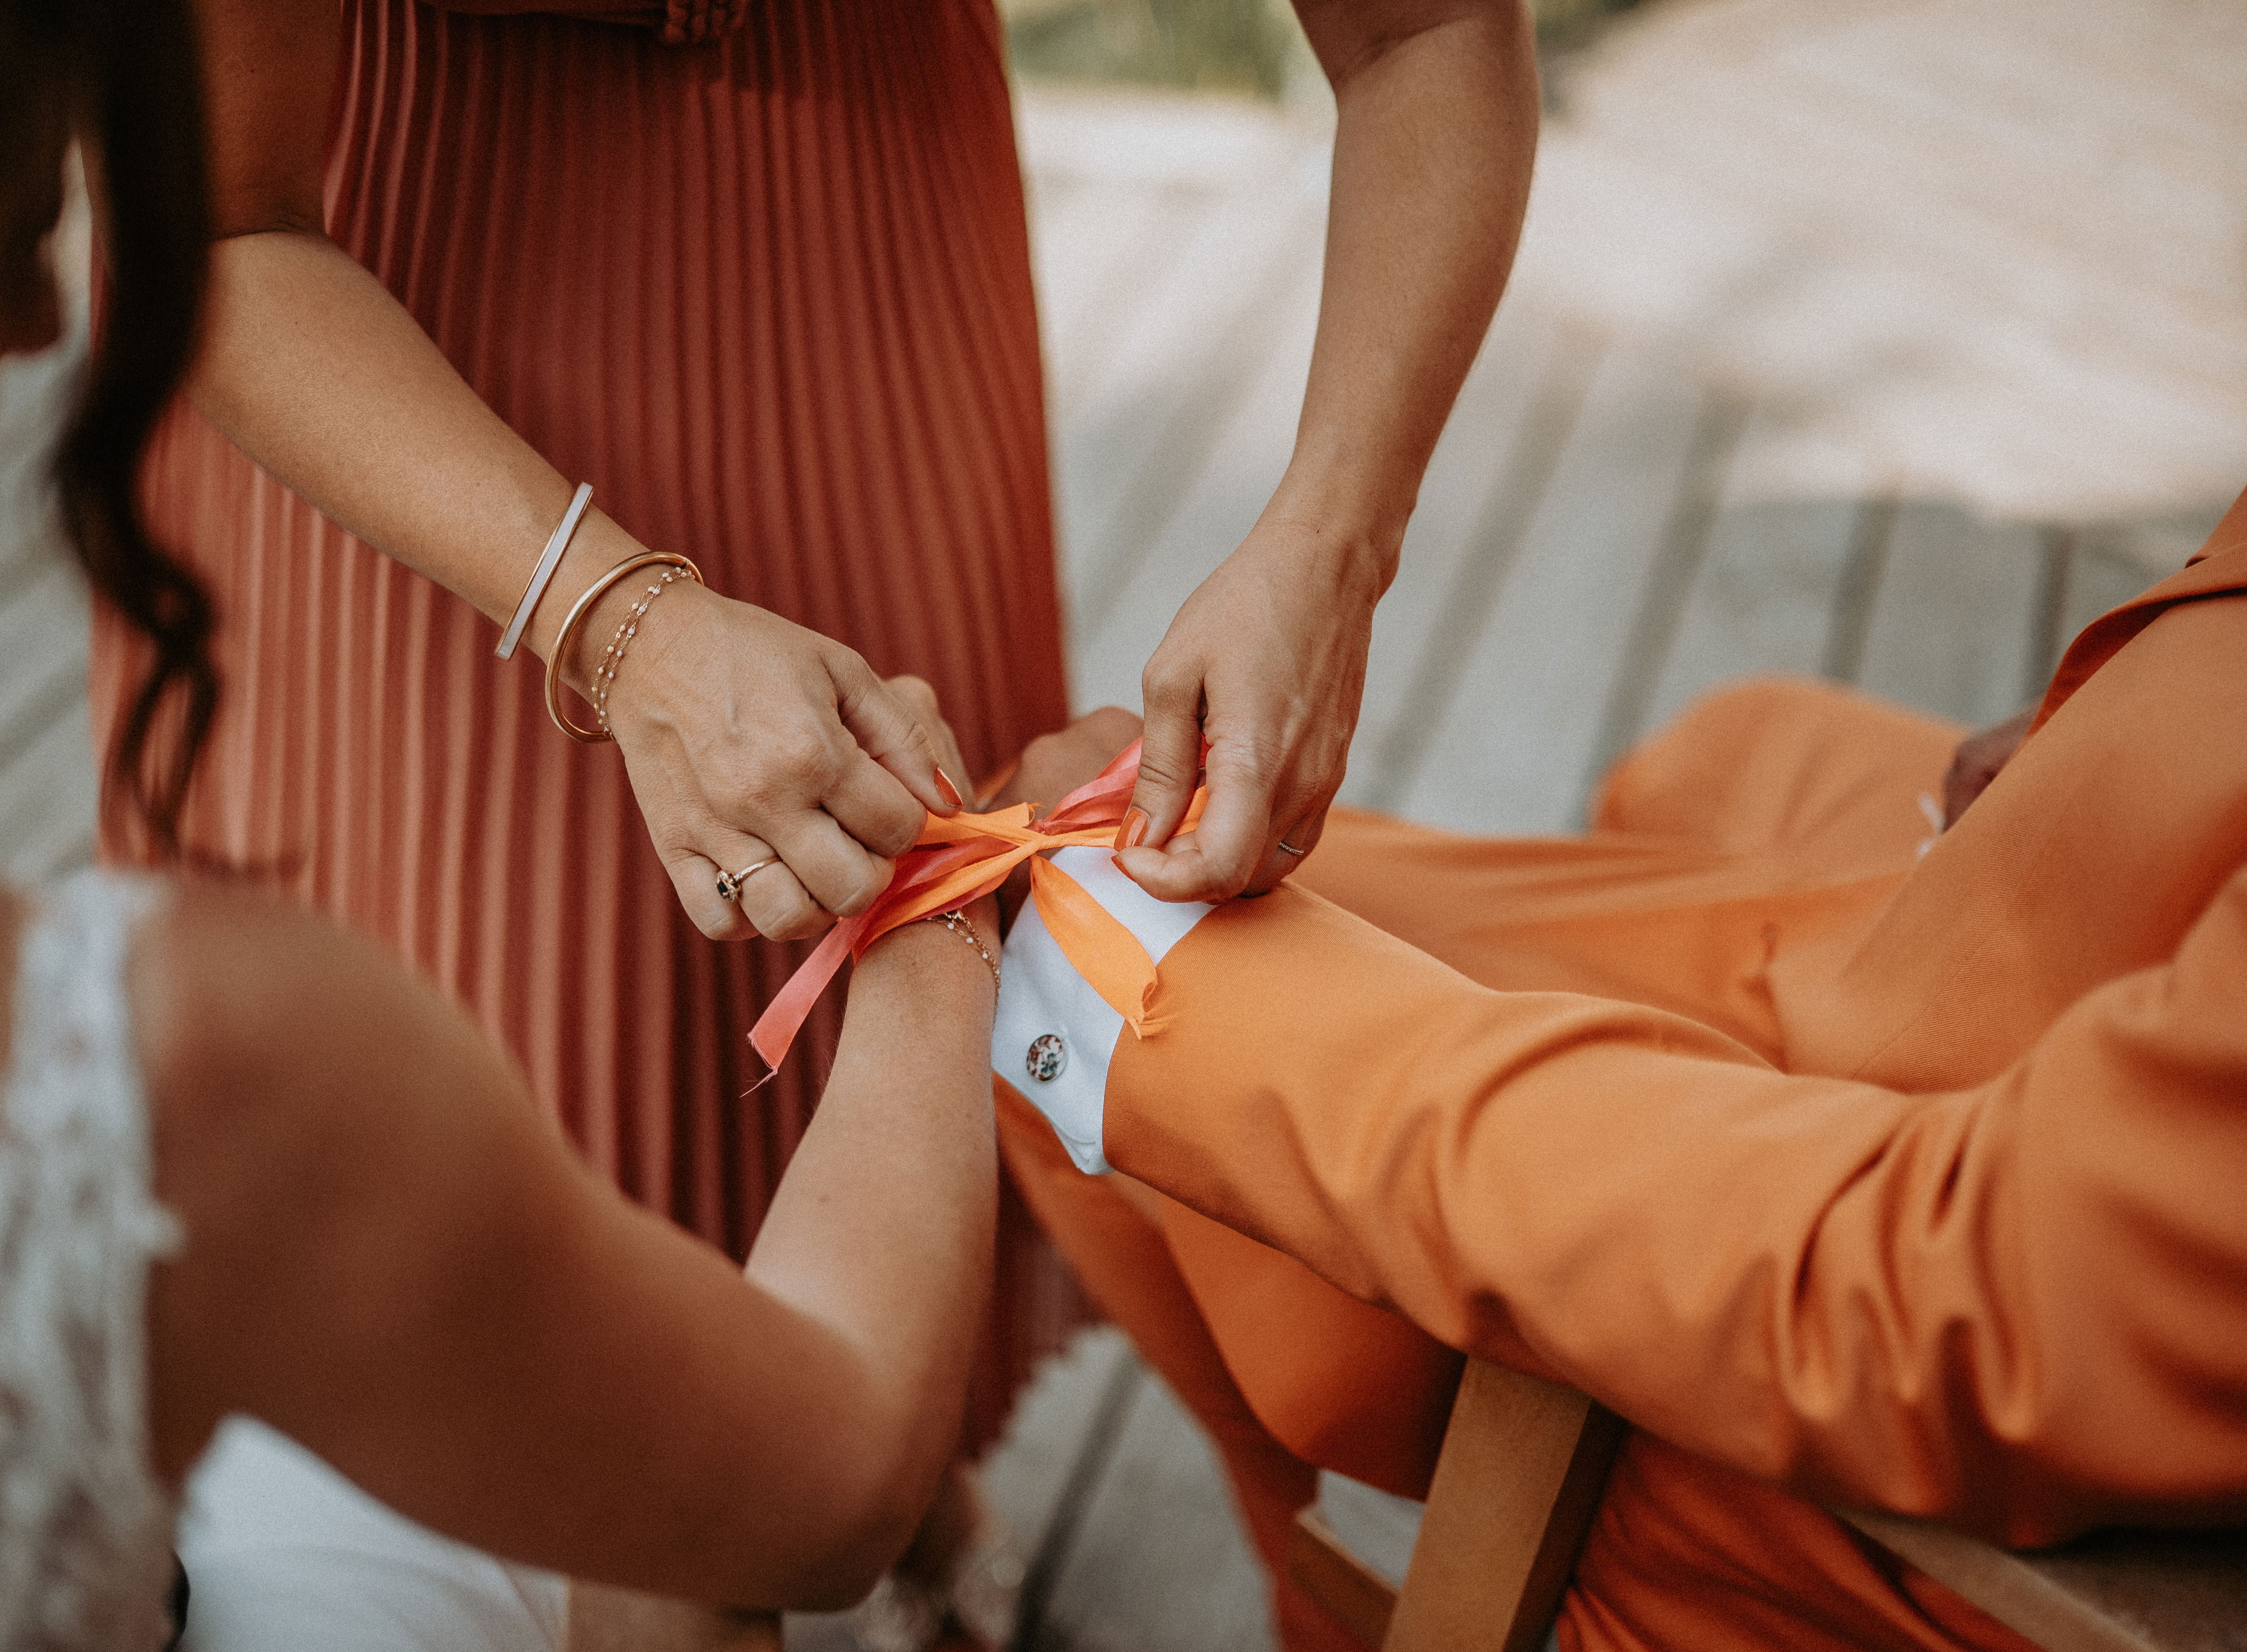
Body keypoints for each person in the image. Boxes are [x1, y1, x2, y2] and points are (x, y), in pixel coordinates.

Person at [91, 7, 1538, 1573]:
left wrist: (1335, 544)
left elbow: (1428, 33)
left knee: (886, 967)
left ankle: (877, 1468)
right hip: (388, 337)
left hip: (874, 247)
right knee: (511, 1155)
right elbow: (212, 220)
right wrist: (606, 615)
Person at [0, 5, 1002, 1649]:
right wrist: (932, 907)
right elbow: (832, 1480)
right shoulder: (179, 1059)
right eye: (9, 244)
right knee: (647, 1522)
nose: (52, 314)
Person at [976, 488, 2247, 1652]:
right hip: (2097, 939)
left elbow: (1969, 1305)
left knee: (1053, 912)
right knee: (1727, 749)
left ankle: (1347, 1580)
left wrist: (1186, 1007)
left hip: (1903, 1328)